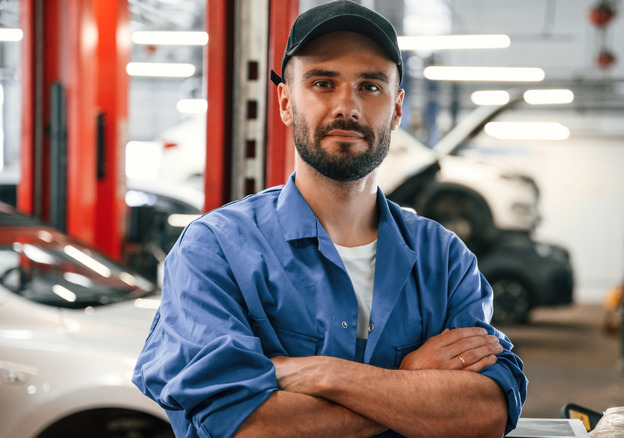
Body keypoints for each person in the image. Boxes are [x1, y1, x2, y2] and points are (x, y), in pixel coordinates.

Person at [132, 2, 527, 437]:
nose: (347, 106)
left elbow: (485, 412)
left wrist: (324, 375)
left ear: (396, 109)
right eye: (322, 82)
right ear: (286, 102)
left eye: (370, 86)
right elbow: (246, 427)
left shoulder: (444, 259)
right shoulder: (216, 249)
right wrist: (410, 384)